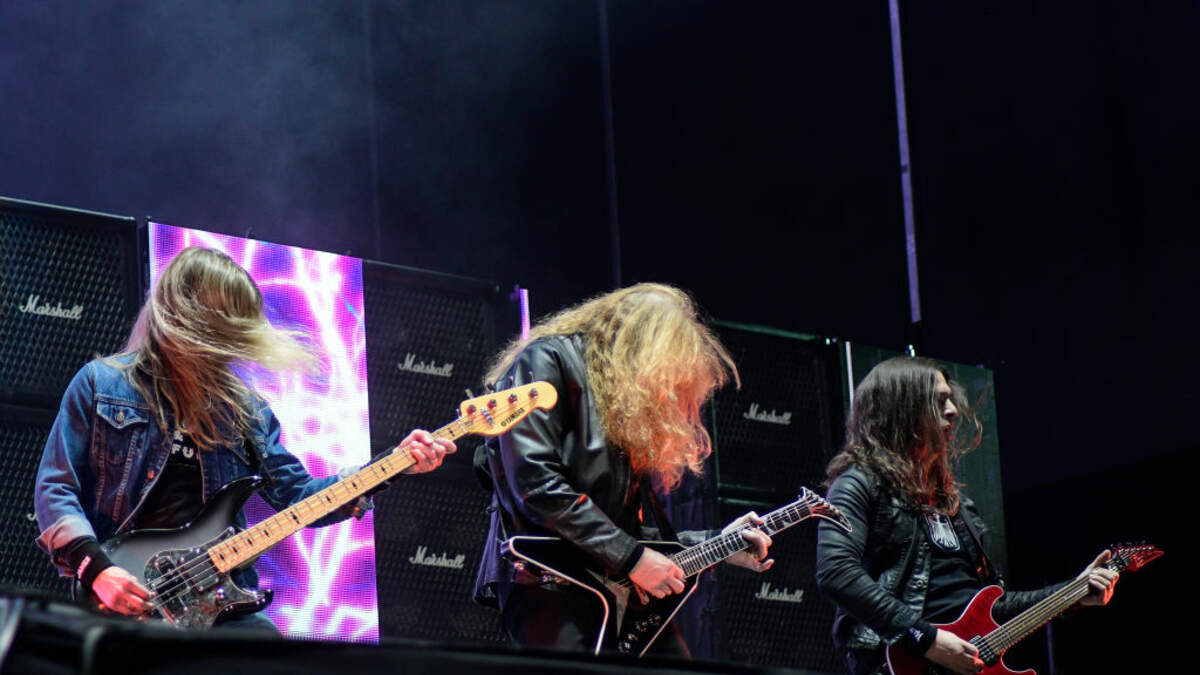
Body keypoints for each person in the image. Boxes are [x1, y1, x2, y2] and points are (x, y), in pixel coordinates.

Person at [34, 246, 455, 632]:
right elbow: (56, 488)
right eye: (227, 317)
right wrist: (97, 570)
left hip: (219, 600)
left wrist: (389, 466)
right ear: (190, 312)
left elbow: (299, 497)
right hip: (127, 594)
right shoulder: (103, 383)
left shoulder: (247, 411)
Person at [472, 283, 774, 655]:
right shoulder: (548, 360)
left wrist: (718, 543)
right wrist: (631, 558)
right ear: (642, 346)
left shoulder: (620, 403)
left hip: (612, 580)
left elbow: (625, 529)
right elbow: (534, 482)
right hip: (546, 582)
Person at [814, 357, 1118, 675]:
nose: (953, 411)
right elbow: (836, 572)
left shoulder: (957, 505)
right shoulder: (858, 482)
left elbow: (992, 607)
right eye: (938, 401)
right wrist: (926, 639)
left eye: (950, 400)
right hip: (898, 663)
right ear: (902, 409)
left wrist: (1072, 592)